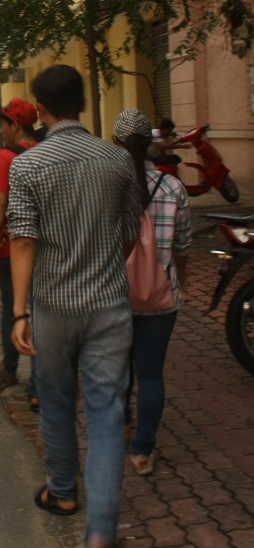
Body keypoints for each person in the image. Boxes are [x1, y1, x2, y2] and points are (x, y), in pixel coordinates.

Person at [7, 66, 140, 548]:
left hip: (52, 306)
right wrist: (103, 266)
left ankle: (62, 492)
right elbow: (129, 232)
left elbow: (23, 239)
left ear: (40, 110)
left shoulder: (28, 164)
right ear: (82, 104)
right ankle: (102, 538)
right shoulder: (116, 159)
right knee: (107, 414)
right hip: (109, 306)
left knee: (57, 401)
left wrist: (20, 311)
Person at [112, 109, 191, 476]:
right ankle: (143, 450)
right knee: (152, 374)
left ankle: (121, 425)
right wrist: (180, 280)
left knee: (119, 371)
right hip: (161, 297)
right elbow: (182, 246)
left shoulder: (109, 188)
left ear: (115, 142)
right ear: (151, 143)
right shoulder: (173, 187)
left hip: (115, 295)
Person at [0, 98, 39, 406]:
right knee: (40, 310)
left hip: (12, 246)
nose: (1, 129)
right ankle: (39, 386)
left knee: (11, 307)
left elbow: (0, 202)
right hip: (44, 245)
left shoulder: (6, 156)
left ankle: (10, 368)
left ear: (15, 125)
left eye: (3, 123)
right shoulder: (45, 151)